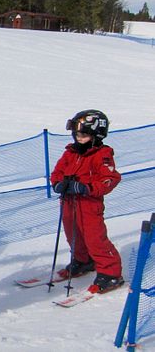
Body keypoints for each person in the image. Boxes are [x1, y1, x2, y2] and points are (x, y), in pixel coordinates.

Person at [50, 109, 123, 293]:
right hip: (68, 202)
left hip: (89, 204)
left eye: (83, 134)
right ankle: (82, 260)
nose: (78, 137)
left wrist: (87, 188)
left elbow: (109, 178)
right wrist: (58, 183)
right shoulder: (70, 152)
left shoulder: (102, 154)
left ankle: (111, 272)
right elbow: (57, 171)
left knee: (94, 238)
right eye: (76, 134)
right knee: (73, 234)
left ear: (96, 134)